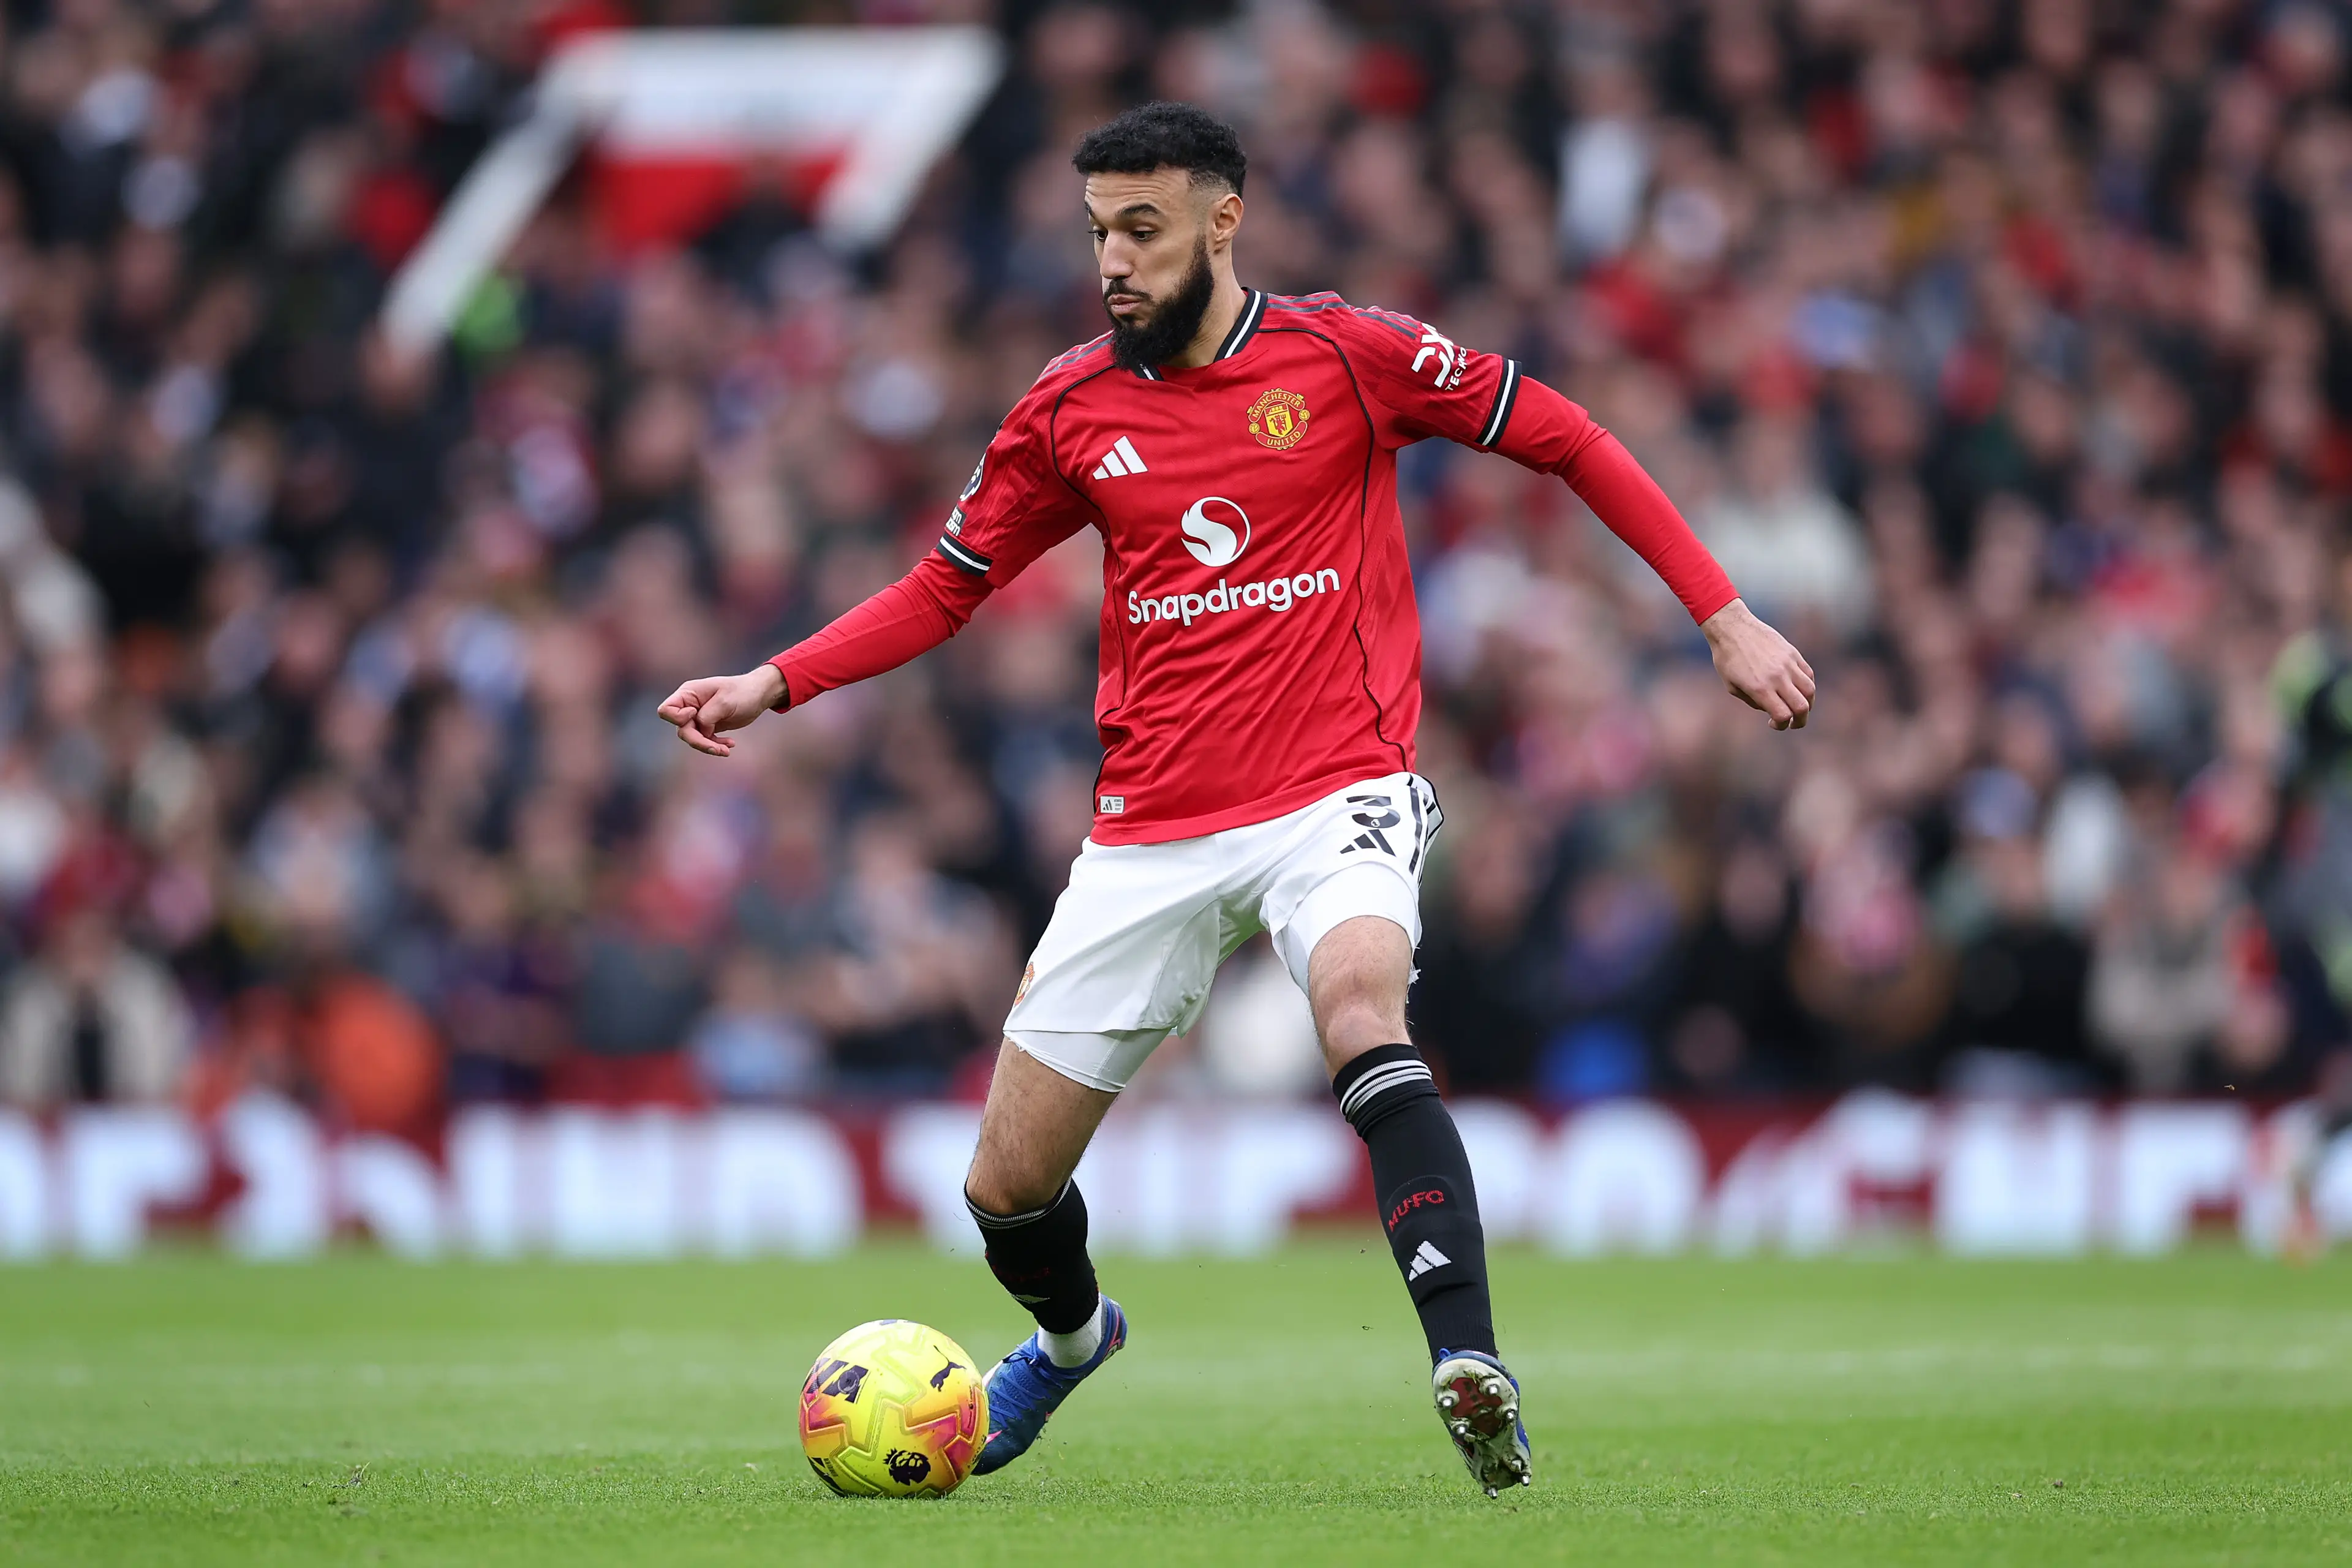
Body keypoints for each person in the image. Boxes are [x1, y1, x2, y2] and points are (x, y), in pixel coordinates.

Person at [656, 102, 1814, 1497]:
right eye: (1097, 234)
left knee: (1359, 1008)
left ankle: (1470, 1361)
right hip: (1150, 829)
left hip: (1341, 785)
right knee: (1004, 1190)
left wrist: (1724, 613)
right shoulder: (1071, 407)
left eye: (1141, 228)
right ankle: (1076, 1340)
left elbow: (1566, 436)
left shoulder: (1347, 353)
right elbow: (945, 587)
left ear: (1222, 220)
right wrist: (774, 679)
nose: (1115, 262)